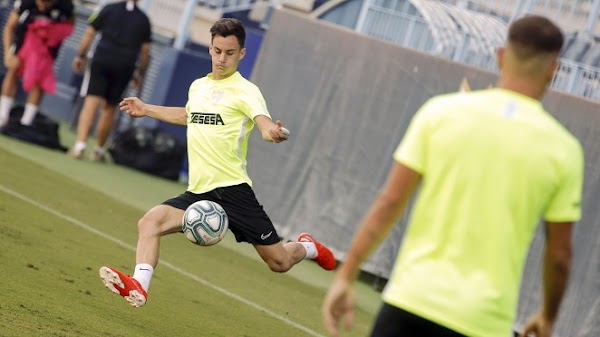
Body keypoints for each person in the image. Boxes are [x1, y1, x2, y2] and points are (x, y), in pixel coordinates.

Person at [322, 15, 582, 337]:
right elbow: (560, 255)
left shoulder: (440, 112)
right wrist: (548, 316)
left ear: (501, 56)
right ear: (553, 70)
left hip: (410, 301)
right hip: (483, 322)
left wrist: (346, 274)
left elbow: (389, 202)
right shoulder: (563, 149)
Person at [98, 18, 337, 308]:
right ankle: (139, 285)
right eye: (217, 51)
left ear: (242, 54)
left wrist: (271, 132)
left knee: (279, 262)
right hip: (199, 192)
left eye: (230, 53)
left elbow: (262, 124)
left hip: (233, 191)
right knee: (149, 222)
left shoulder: (246, 91)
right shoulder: (198, 86)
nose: (222, 58)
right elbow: (189, 115)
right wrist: (146, 109)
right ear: (210, 48)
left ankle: (308, 246)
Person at [69, 0, 151, 162]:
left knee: (91, 101)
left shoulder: (108, 9)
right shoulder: (144, 19)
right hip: (125, 65)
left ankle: (80, 146)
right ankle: (99, 150)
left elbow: (89, 33)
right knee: (110, 108)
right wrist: (140, 74)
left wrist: (80, 55)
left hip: (102, 59)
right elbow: (145, 51)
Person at [0, 0, 74, 128]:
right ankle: (3, 116)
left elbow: (70, 25)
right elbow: (9, 27)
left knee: (40, 80)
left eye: (46, 4)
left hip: (46, 48)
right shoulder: (26, 2)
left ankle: (26, 122)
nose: (42, 6)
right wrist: (8, 53)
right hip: (23, 42)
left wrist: (53, 34)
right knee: (13, 71)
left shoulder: (66, 5)